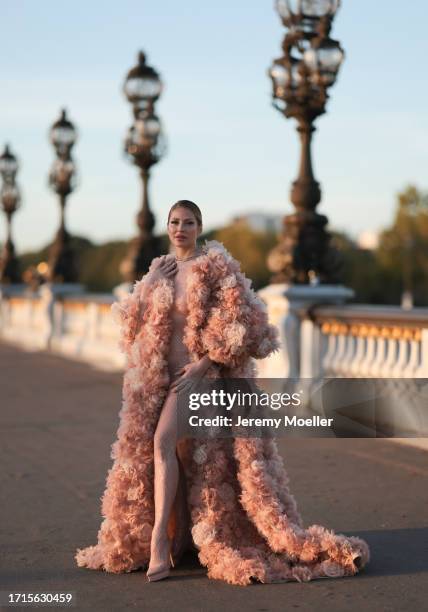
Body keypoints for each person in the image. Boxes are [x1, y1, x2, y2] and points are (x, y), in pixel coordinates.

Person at [75, 200, 370, 585]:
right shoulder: (160, 269)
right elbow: (131, 328)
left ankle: (158, 546)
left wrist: (205, 363)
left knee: (163, 442)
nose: (181, 228)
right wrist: (149, 285)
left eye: (189, 222)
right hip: (157, 381)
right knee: (172, 453)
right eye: (175, 222)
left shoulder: (215, 266)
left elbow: (253, 327)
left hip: (198, 382)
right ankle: (178, 537)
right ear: (167, 227)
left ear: (200, 227)